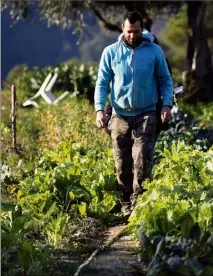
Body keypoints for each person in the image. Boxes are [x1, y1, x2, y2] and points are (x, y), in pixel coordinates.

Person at [94, 11, 173, 216]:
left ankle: (140, 201)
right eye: (129, 31)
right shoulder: (110, 52)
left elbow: (165, 80)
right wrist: (99, 110)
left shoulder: (154, 51)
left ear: (142, 29)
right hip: (119, 114)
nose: (132, 35)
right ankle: (126, 199)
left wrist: (166, 105)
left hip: (147, 112)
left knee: (142, 157)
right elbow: (102, 83)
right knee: (122, 162)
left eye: (136, 31)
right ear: (123, 29)